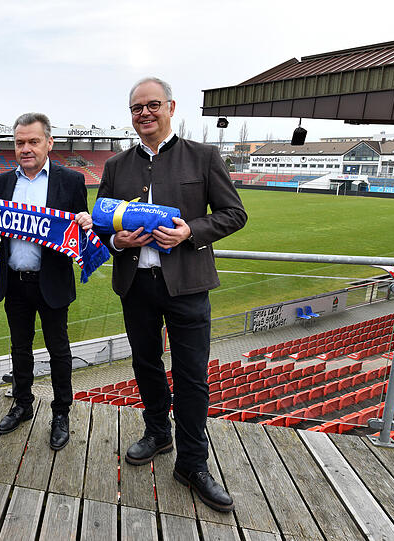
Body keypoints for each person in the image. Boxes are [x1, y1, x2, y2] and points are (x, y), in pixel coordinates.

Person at [97, 77, 247, 512]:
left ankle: (193, 464)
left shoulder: (203, 156)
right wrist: (117, 241)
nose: (144, 113)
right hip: (136, 285)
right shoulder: (116, 166)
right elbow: (103, 224)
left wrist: (189, 232)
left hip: (188, 287)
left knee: (192, 376)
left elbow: (234, 213)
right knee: (145, 364)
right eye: (136, 108)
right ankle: (158, 433)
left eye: (152, 105)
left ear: (171, 107)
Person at [0, 113, 92, 450]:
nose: (26, 148)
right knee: (19, 348)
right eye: (20, 143)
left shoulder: (71, 180)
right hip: (15, 282)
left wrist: (85, 222)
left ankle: (61, 412)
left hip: (52, 282)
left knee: (58, 350)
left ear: (49, 143)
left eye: (33, 141)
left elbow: (81, 234)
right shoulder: (4, 181)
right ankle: (22, 404)